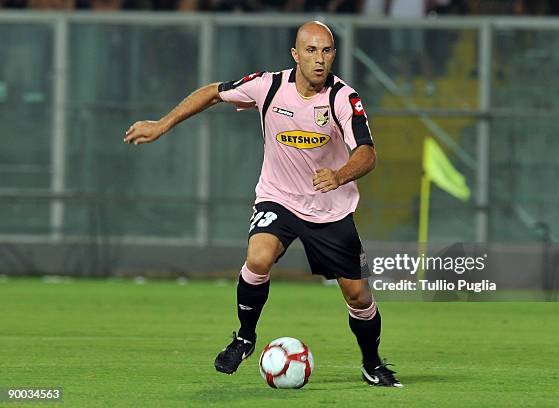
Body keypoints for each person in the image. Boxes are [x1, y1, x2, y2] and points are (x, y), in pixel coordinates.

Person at [124, 20, 402, 388]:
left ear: (334, 54)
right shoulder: (269, 85)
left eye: (327, 51)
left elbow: (368, 153)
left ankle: (372, 362)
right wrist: (163, 124)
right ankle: (244, 337)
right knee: (257, 258)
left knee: (358, 294)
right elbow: (212, 92)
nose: (320, 60)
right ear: (295, 54)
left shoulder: (342, 98)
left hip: (330, 209)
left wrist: (339, 176)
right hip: (279, 198)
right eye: (311, 50)